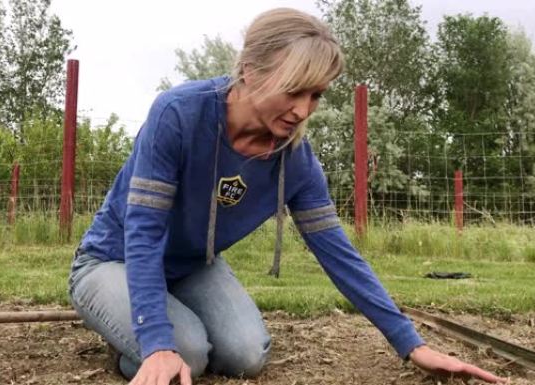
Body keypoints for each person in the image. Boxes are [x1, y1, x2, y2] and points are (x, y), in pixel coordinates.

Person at [68, 7, 508, 385]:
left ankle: (156, 329)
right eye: (294, 89)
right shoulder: (179, 114)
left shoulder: (295, 160)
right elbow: (143, 233)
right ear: (250, 70)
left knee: (246, 356)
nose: (303, 110)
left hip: (190, 268)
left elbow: (339, 255)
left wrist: (411, 344)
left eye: (316, 94)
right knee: (189, 352)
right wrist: (158, 341)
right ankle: (141, 343)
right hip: (113, 260)